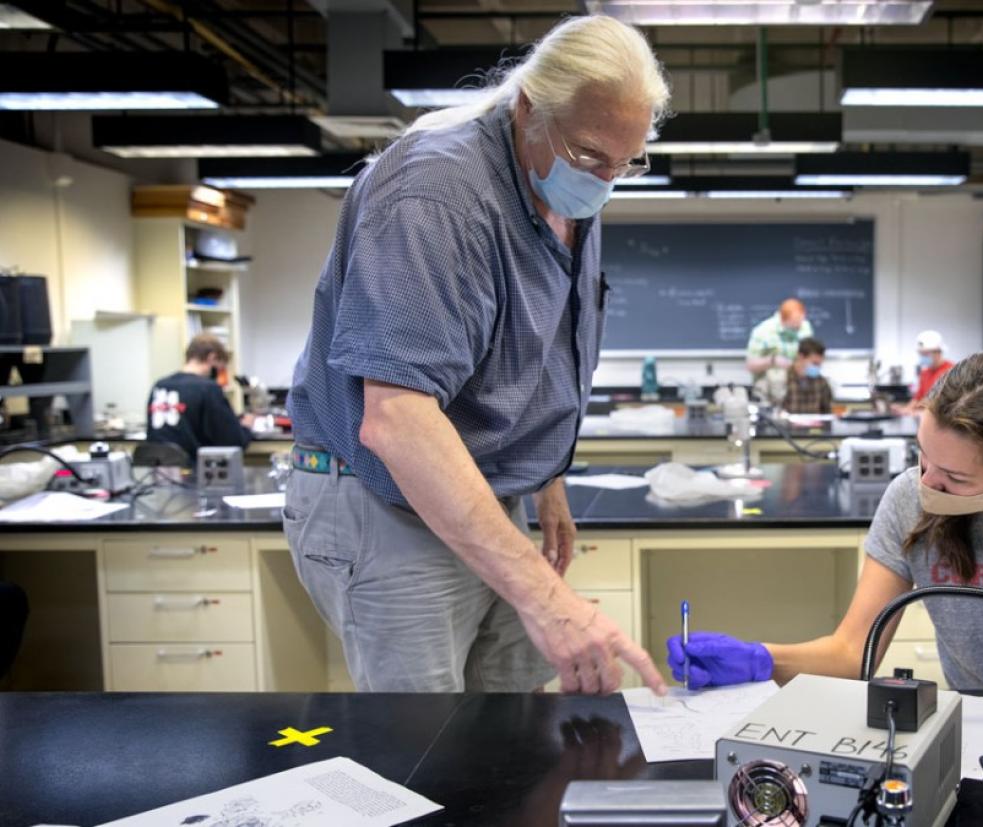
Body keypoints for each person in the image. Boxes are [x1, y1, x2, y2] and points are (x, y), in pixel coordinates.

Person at [283, 16, 669, 696]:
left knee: (512, 742)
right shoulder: (434, 195)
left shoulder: (568, 181)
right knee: (427, 752)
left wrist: (545, 474)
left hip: (492, 491)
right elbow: (397, 419)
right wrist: (549, 601)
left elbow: (542, 347)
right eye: (591, 158)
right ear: (529, 110)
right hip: (387, 496)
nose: (607, 181)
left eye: (626, 163)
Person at [667, 348, 983, 704]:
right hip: (978, 725)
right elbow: (852, 654)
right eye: (922, 456)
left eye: (953, 477)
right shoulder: (910, 498)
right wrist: (761, 660)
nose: (925, 483)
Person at [146, 334, 253, 460]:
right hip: (193, 472)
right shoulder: (208, 388)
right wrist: (246, 427)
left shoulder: (159, 385)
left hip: (157, 472)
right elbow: (233, 442)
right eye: (220, 369)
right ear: (211, 358)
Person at [746, 298, 814, 379]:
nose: (798, 327)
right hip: (769, 382)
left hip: (797, 380)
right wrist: (772, 360)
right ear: (782, 319)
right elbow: (750, 366)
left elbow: (810, 355)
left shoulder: (805, 327)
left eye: (800, 322)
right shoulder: (763, 331)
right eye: (794, 324)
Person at [902, 329, 954, 413]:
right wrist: (907, 409)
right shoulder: (925, 372)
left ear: (938, 352)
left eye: (925, 354)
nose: (922, 357)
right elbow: (918, 397)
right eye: (921, 354)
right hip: (925, 415)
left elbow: (943, 400)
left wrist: (920, 406)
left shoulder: (951, 371)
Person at [782, 337, 833, 415]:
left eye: (819, 364)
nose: (817, 368)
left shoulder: (822, 382)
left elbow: (827, 412)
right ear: (801, 357)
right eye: (815, 363)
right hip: (786, 426)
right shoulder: (782, 378)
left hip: (814, 426)